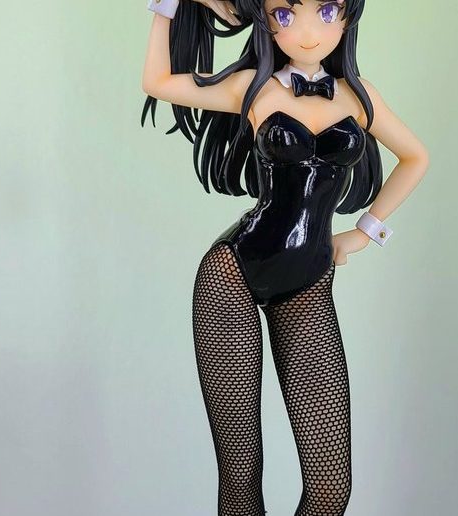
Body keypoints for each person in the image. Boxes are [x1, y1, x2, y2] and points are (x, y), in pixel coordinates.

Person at [141, 0, 429, 514]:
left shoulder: (359, 97)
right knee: (240, 477)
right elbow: (158, 82)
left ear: (348, 16)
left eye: (327, 10)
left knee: (330, 489)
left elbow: (416, 157)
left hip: (308, 283)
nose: (307, 31)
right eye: (285, 14)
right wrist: (165, 6)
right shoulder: (253, 89)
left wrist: (365, 232)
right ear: (265, 21)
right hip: (232, 273)